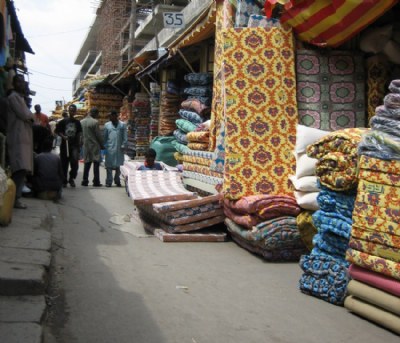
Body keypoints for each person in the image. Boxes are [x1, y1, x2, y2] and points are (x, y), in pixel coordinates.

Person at [6, 74, 34, 209]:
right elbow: (26, 114)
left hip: (23, 138)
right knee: (19, 168)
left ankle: (15, 198)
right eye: (18, 82)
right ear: (14, 83)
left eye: (23, 82)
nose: (21, 84)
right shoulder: (13, 98)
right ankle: (14, 199)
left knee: (22, 169)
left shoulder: (20, 98)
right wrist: (31, 117)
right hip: (17, 137)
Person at [55, 104, 82, 188]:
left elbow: (79, 133)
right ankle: (64, 180)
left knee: (74, 164)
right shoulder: (63, 121)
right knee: (64, 164)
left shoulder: (77, 122)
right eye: (71, 110)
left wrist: (80, 143)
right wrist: (63, 136)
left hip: (74, 145)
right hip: (64, 145)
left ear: (75, 111)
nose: (72, 111)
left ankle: (71, 178)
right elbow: (57, 131)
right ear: (68, 111)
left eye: (74, 110)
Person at [103, 110, 127, 187]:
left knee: (119, 166)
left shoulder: (122, 125)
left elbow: (125, 137)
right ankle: (109, 181)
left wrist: (124, 144)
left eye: (111, 116)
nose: (109, 118)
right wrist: (103, 146)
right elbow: (105, 137)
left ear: (115, 116)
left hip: (119, 148)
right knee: (109, 166)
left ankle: (117, 180)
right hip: (110, 148)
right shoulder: (107, 125)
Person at [80, 107, 103, 186]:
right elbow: (98, 135)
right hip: (94, 145)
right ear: (94, 113)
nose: (97, 115)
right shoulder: (95, 122)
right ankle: (96, 181)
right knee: (96, 163)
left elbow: (80, 135)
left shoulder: (81, 122)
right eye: (97, 114)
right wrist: (102, 145)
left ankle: (85, 181)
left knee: (87, 163)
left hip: (85, 145)